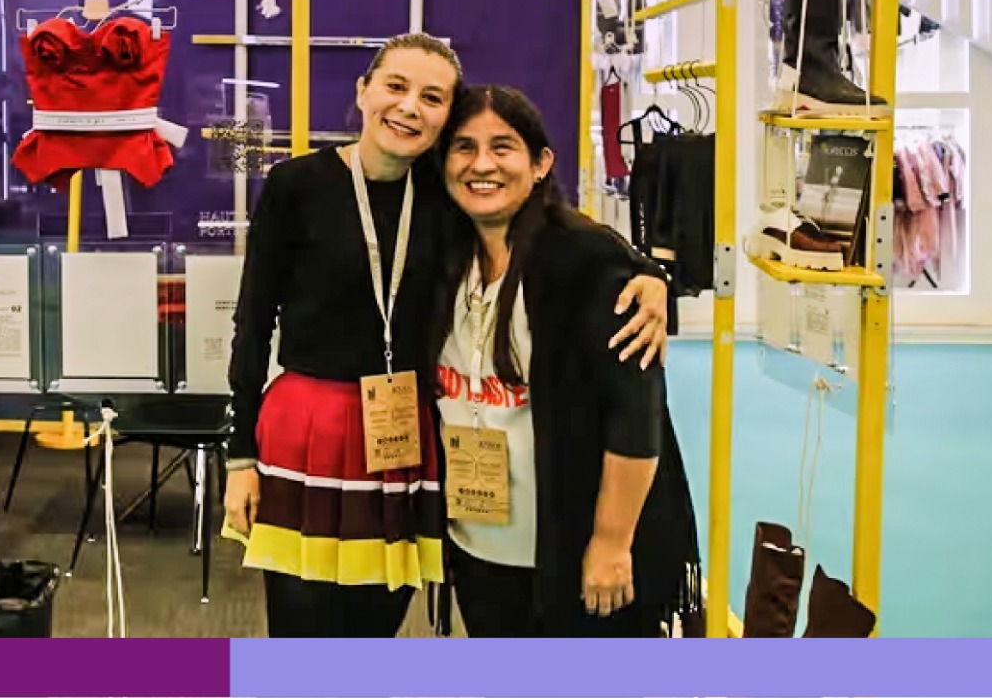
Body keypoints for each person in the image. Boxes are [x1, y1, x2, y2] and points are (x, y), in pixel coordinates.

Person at [221, 33, 673, 638]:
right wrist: (240, 455)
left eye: (432, 97)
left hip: (405, 434)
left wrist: (650, 275)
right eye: (396, 87)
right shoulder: (295, 186)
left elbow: (561, 227)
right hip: (308, 430)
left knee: (377, 623)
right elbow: (252, 324)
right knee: (302, 625)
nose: (410, 106)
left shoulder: (445, 194)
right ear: (363, 92)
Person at [428, 85, 704, 637]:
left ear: (539, 164)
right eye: (464, 147)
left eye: (502, 147)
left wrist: (611, 540)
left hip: (577, 551)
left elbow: (635, 415)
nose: (482, 164)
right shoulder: (442, 256)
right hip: (479, 542)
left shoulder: (584, 259)